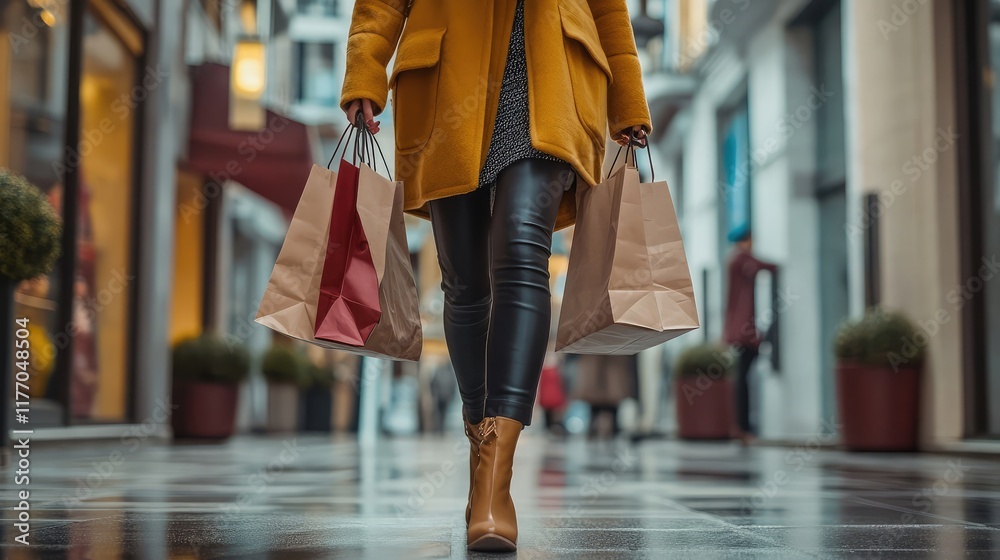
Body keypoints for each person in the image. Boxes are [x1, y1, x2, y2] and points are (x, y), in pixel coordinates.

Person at [341, 0, 652, 552]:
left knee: (522, 251)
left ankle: (494, 481)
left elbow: (608, 6)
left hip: (549, 79)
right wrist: (366, 69)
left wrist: (628, 97)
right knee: (464, 286)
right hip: (447, 86)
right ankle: (480, 447)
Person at [723, 226, 778, 446]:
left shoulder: (734, 261)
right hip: (744, 333)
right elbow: (763, 266)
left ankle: (741, 426)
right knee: (743, 379)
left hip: (739, 331)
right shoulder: (740, 261)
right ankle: (743, 426)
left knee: (742, 378)